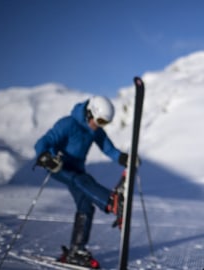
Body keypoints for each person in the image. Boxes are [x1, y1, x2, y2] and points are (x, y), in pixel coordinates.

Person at [34, 95, 130, 269]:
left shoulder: (95, 131)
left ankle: (76, 251)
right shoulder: (68, 124)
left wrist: (123, 158)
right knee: (81, 180)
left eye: (105, 123)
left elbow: (108, 149)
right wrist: (45, 156)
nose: (100, 125)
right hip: (58, 166)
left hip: (77, 170)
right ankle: (111, 202)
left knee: (86, 205)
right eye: (100, 120)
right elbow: (44, 141)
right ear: (89, 113)